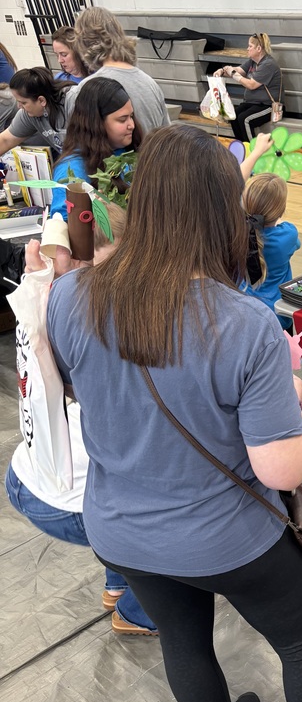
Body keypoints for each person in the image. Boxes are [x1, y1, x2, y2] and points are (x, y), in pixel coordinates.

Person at [46, 124, 302, 702]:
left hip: (123, 528)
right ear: (220, 212)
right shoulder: (242, 325)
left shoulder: (72, 296)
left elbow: (78, 387)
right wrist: (292, 409)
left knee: (183, 639)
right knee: (300, 643)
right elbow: (282, 472)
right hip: (229, 535)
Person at [5, 202, 158, 635]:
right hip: (63, 497)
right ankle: (137, 612)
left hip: (31, 472)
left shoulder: (58, 302)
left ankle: (117, 578)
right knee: (168, 539)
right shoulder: (103, 325)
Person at [50, 77, 142, 218]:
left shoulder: (130, 151)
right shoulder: (72, 169)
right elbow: (63, 223)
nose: (132, 125)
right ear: (96, 124)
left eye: (131, 116)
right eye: (122, 119)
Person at [73, 6, 171, 133]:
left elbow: (82, 143)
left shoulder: (87, 89)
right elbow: (168, 138)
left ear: (83, 42)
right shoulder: (150, 83)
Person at [241, 171, 299, 330]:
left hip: (243, 316)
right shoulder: (288, 235)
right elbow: (296, 244)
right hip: (277, 318)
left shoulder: (235, 234)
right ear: (280, 210)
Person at [214, 32, 281, 142]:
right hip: (252, 103)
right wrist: (222, 70)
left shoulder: (268, 64)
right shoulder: (252, 62)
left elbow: (251, 85)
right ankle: (242, 146)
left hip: (267, 106)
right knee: (233, 116)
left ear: (258, 48)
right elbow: (238, 70)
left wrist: (233, 74)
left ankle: (253, 150)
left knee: (245, 119)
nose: (247, 49)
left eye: (250, 46)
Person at [0, 67, 77, 158]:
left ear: (41, 100)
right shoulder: (29, 114)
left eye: (23, 102)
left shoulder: (73, 102)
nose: (19, 106)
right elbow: (5, 140)